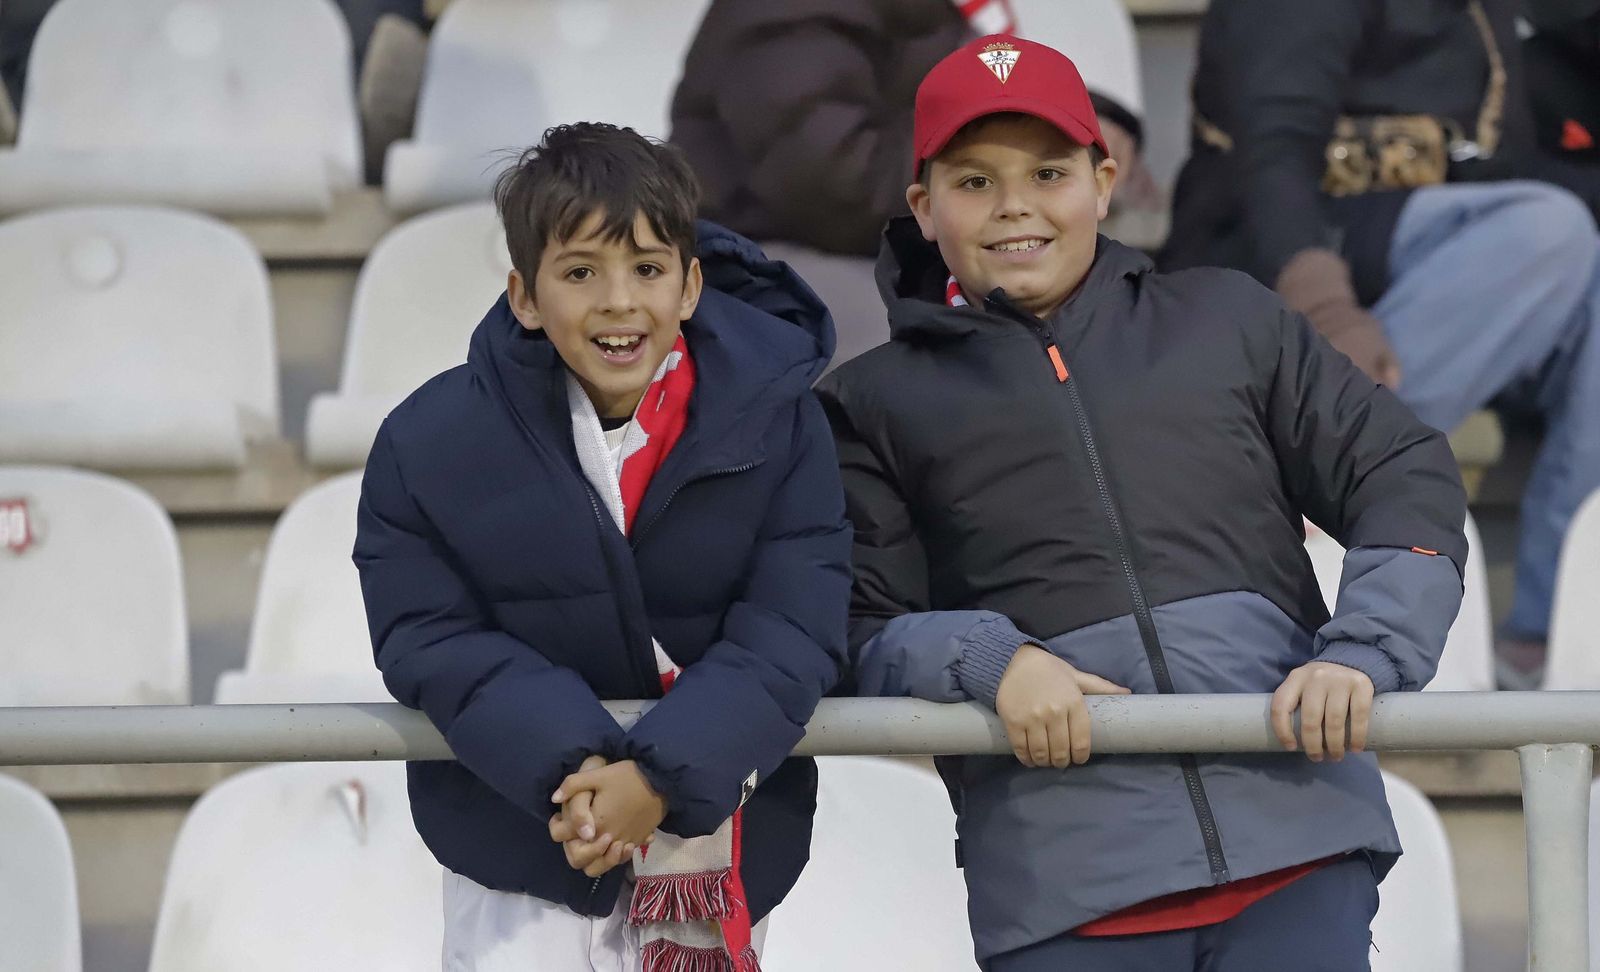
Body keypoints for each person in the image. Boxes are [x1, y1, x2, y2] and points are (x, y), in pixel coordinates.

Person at [818, 35, 1467, 970]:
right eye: (974, 182)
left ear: (1105, 178)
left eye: (1049, 171)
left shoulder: (1229, 318)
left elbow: (1403, 472)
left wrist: (1366, 651)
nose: (1015, 207)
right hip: (1064, 893)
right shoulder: (866, 404)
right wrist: (989, 660)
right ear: (923, 206)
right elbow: (849, 623)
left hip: (1300, 855)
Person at [353, 122, 851, 971]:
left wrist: (659, 783)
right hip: (519, 851)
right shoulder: (427, 443)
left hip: (716, 848)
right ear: (524, 295)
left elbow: (793, 629)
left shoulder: (784, 421)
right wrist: (584, 777)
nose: (619, 301)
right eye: (581, 272)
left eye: (648, 270)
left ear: (691, 286)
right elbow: (429, 637)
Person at [1161, 0, 1600, 684]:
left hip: (1439, 262)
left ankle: (1550, 635)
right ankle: (1309, 475)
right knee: (1549, 233)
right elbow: (1272, 145)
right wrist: (1326, 302)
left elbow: (1491, 165)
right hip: (1279, 254)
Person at [669, 0, 1159, 259]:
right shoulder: (791, 12)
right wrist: (1019, 154)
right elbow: (838, 183)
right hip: (779, 257)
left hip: (907, 237)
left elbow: (976, 89)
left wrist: (1082, 120)